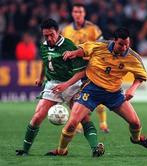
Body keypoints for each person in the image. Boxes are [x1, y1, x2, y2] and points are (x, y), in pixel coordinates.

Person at [46, 27, 147, 156]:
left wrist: (132, 88)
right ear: (114, 41)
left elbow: (141, 76)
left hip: (114, 94)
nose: (124, 48)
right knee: (72, 124)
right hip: (91, 90)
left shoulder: (133, 57)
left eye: (127, 44)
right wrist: (74, 53)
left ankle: (136, 139)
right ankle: (61, 151)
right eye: (121, 44)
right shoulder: (100, 46)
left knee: (135, 123)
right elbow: (84, 49)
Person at [16, 18, 104, 157]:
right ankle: (25, 150)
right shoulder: (43, 46)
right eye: (46, 35)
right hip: (53, 84)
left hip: (72, 84)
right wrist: (41, 77)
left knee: (83, 118)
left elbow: (82, 72)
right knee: (38, 116)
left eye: (52, 34)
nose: (49, 38)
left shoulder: (69, 46)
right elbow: (45, 62)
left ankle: (95, 149)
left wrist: (66, 85)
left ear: (58, 32)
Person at [61, 3, 109, 133]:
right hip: (74, 68)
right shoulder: (66, 30)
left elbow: (101, 46)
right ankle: (78, 124)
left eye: (80, 12)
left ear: (84, 13)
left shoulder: (93, 29)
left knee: (97, 93)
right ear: (72, 13)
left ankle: (103, 122)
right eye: (75, 12)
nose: (78, 14)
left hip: (91, 67)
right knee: (72, 96)